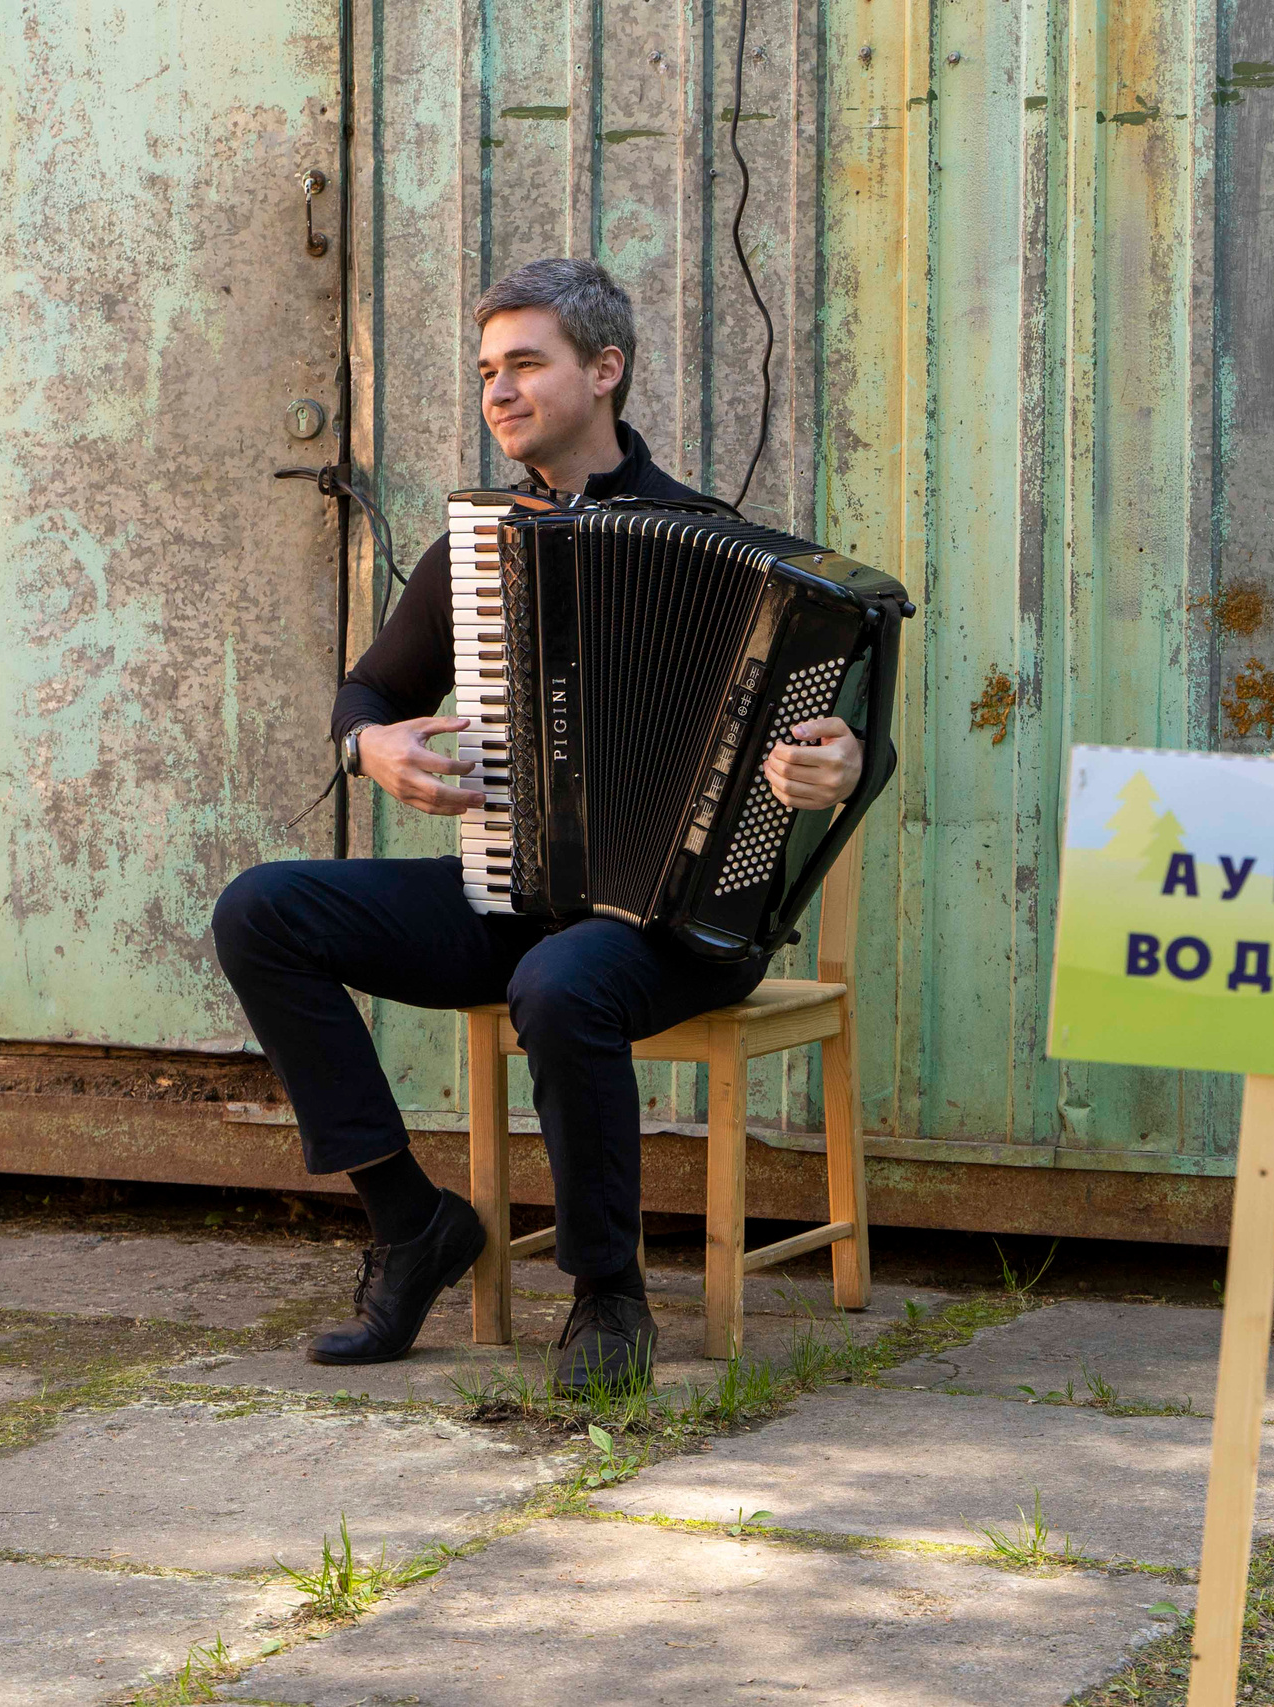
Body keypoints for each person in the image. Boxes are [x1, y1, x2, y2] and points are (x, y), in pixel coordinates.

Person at [211, 259, 866, 1393]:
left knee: (564, 983)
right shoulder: (478, 553)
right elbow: (366, 694)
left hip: (673, 927)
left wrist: (838, 764)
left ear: (604, 371)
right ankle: (410, 1223)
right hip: (514, 893)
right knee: (263, 911)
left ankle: (608, 1297)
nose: (498, 392)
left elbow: (849, 727)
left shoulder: (730, 552)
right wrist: (372, 746)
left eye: (525, 364)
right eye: (485, 372)